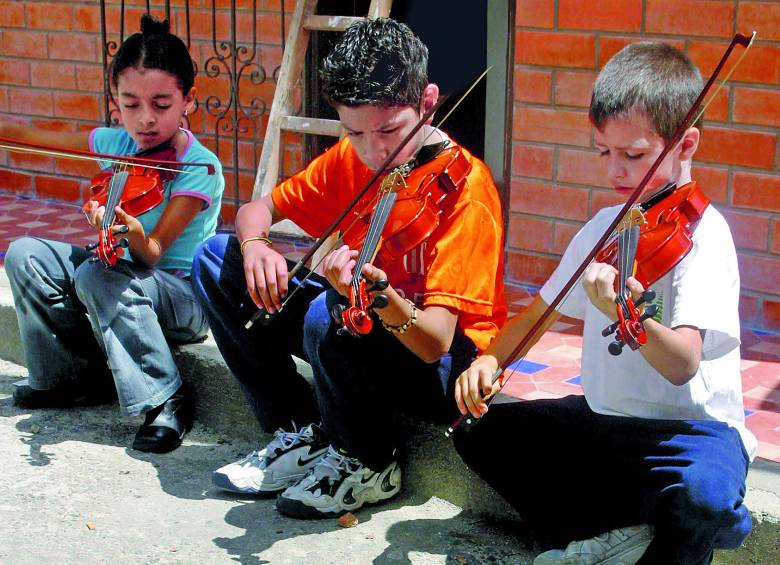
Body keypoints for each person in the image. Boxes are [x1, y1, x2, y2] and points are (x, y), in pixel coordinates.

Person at [452, 42, 755, 565]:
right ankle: (614, 536)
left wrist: (626, 315)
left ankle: (652, 536)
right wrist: (489, 361)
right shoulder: (603, 229)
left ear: (686, 144)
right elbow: (537, 316)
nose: (615, 171)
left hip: (689, 434)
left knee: (704, 496)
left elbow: (682, 363)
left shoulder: (705, 236)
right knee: (477, 432)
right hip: (606, 424)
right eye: (603, 152)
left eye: (633, 156)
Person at [191, 17, 506, 518]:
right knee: (215, 260)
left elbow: (436, 341)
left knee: (331, 308)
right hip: (358, 330)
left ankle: (369, 461)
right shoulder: (351, 158)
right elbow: (257, 210)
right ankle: (301, 431)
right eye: (355, 131)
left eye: (390, 130)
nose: (374, 150)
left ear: (428, 102)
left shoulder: (466, 190)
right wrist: (256, 247)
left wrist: (380, 296)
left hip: (440, 365)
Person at [3, 14, 224, 454]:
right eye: (131, 104)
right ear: (115, 101)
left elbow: (152, 253)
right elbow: (40, 136)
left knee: (97, 274)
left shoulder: (199, 167)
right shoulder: (115, 144)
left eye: (161, 104)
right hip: (120, 274)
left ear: (188, 100)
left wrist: (131, 231)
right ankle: (70, 378)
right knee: (24, 253)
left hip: (181, 297)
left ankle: (167, 398)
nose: (145, 119)